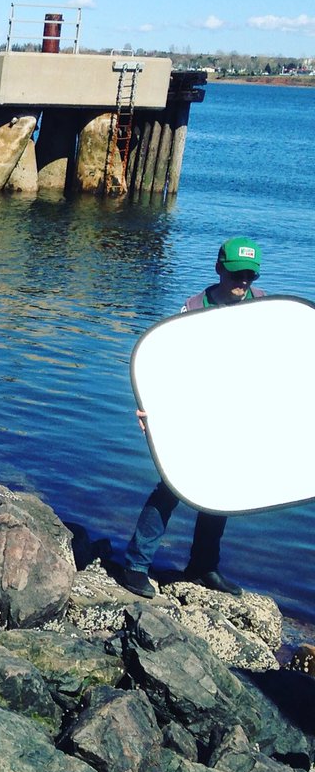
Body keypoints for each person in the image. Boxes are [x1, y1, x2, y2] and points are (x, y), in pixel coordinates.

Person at [110, 236, 266, 599]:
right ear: (218, 269)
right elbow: (163, 364)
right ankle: (134, 565)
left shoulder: (264, 306)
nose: (242, 283)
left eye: (249, 276)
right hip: (192, 415)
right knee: (171, 488)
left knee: (218, 491)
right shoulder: (194, 309)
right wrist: (149, 409)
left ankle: (203, 567)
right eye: (235, 275)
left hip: (236, 417)